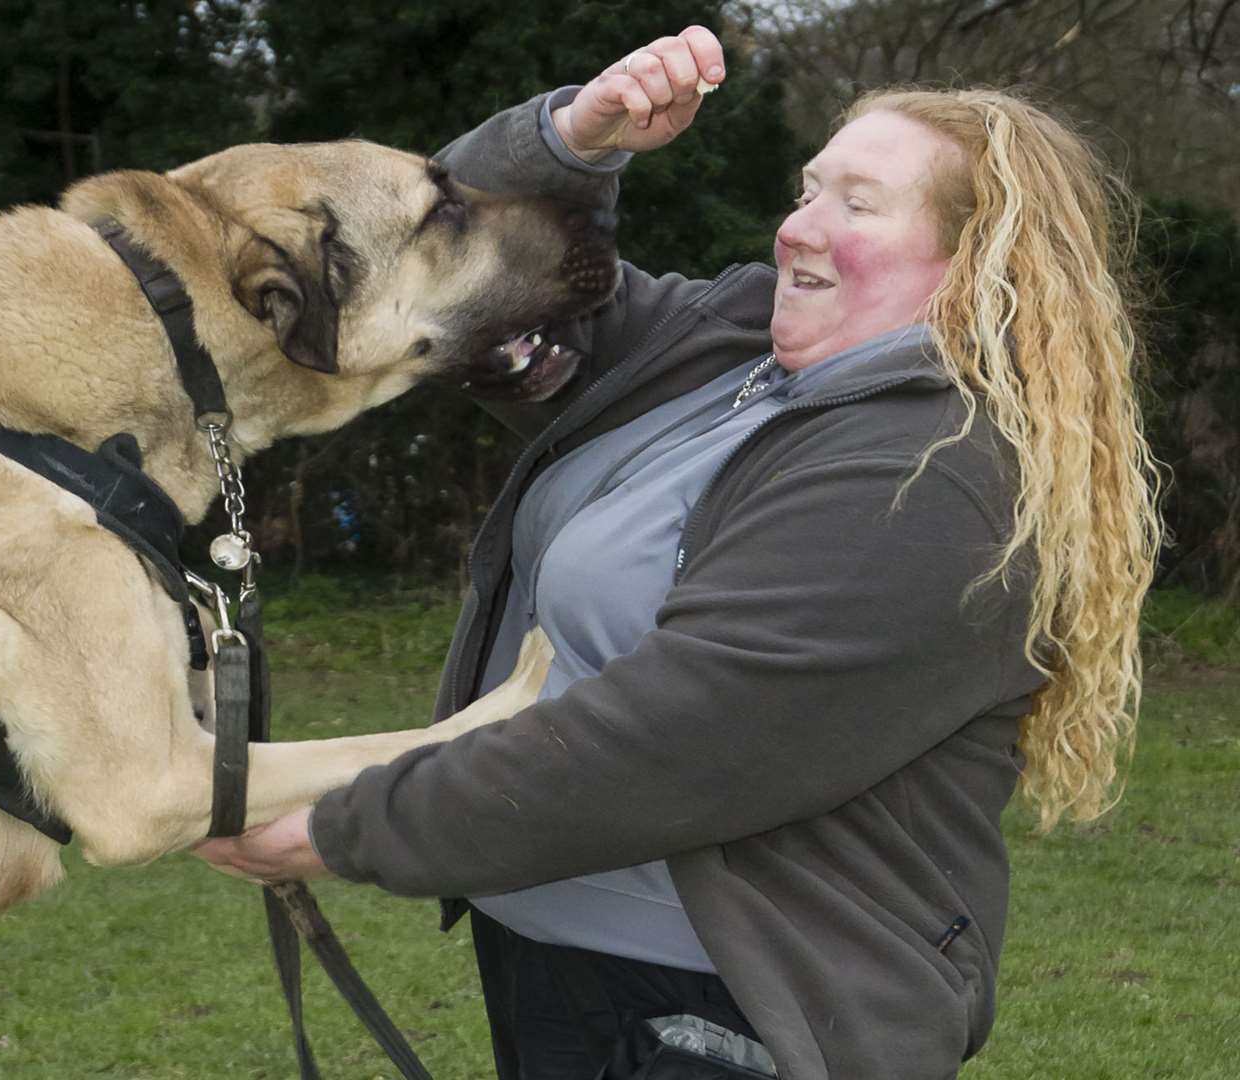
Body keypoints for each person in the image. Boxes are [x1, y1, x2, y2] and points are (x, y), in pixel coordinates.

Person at [195, 24, 1162, 1080]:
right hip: (564, 967)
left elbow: (679, 737)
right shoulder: (728, 352)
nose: (800, 226)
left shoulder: (931, 472)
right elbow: (456, 256)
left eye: (858, 203)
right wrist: (575, 137)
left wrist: (346, 828)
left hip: (732, 1014)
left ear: (977, 261)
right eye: (809, 188)